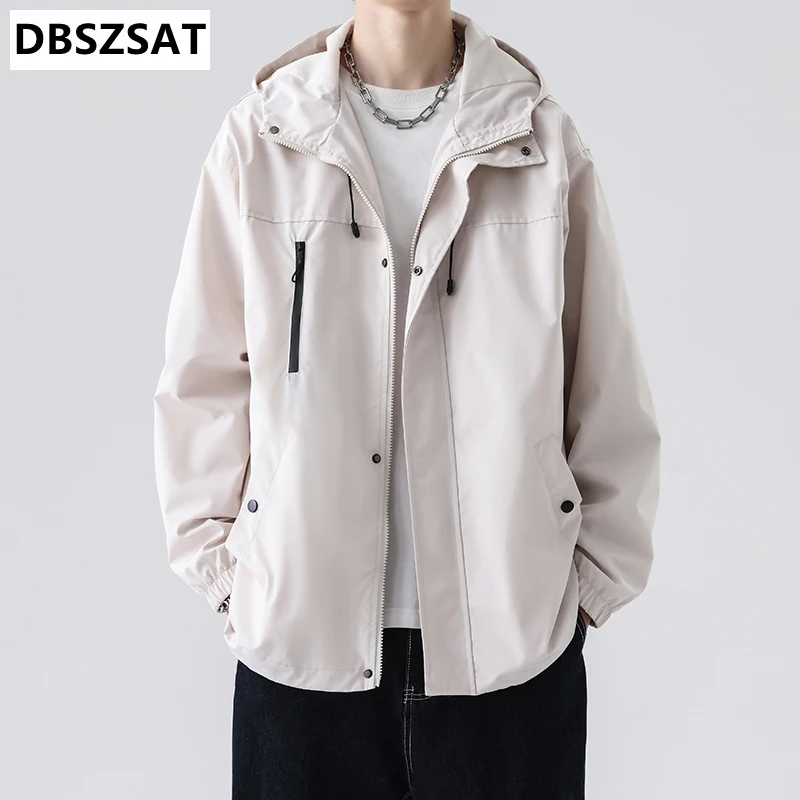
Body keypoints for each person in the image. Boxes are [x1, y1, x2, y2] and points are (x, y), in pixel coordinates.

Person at [153, 2, 661, 797]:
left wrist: (588, 590)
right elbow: (203, 382)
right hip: (301, 650)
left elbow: (607, 381)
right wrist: (228, 580)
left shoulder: (539, 140)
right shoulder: (264, 137)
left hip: (511, 658)